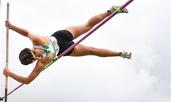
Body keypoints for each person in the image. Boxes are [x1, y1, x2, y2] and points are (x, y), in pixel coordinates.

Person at [3, 6, 132, 84]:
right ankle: (120, 54)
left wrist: (12, 26)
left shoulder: (37, 40)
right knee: (93, 50)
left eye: (34, 55)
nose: (37, 58)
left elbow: (26, 33)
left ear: (31, 50)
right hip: (66, 50)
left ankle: (111, 11)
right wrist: (9, 73)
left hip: (61, 36)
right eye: (34, 60)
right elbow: (27, 81)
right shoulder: (40, 64)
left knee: (88, 25)